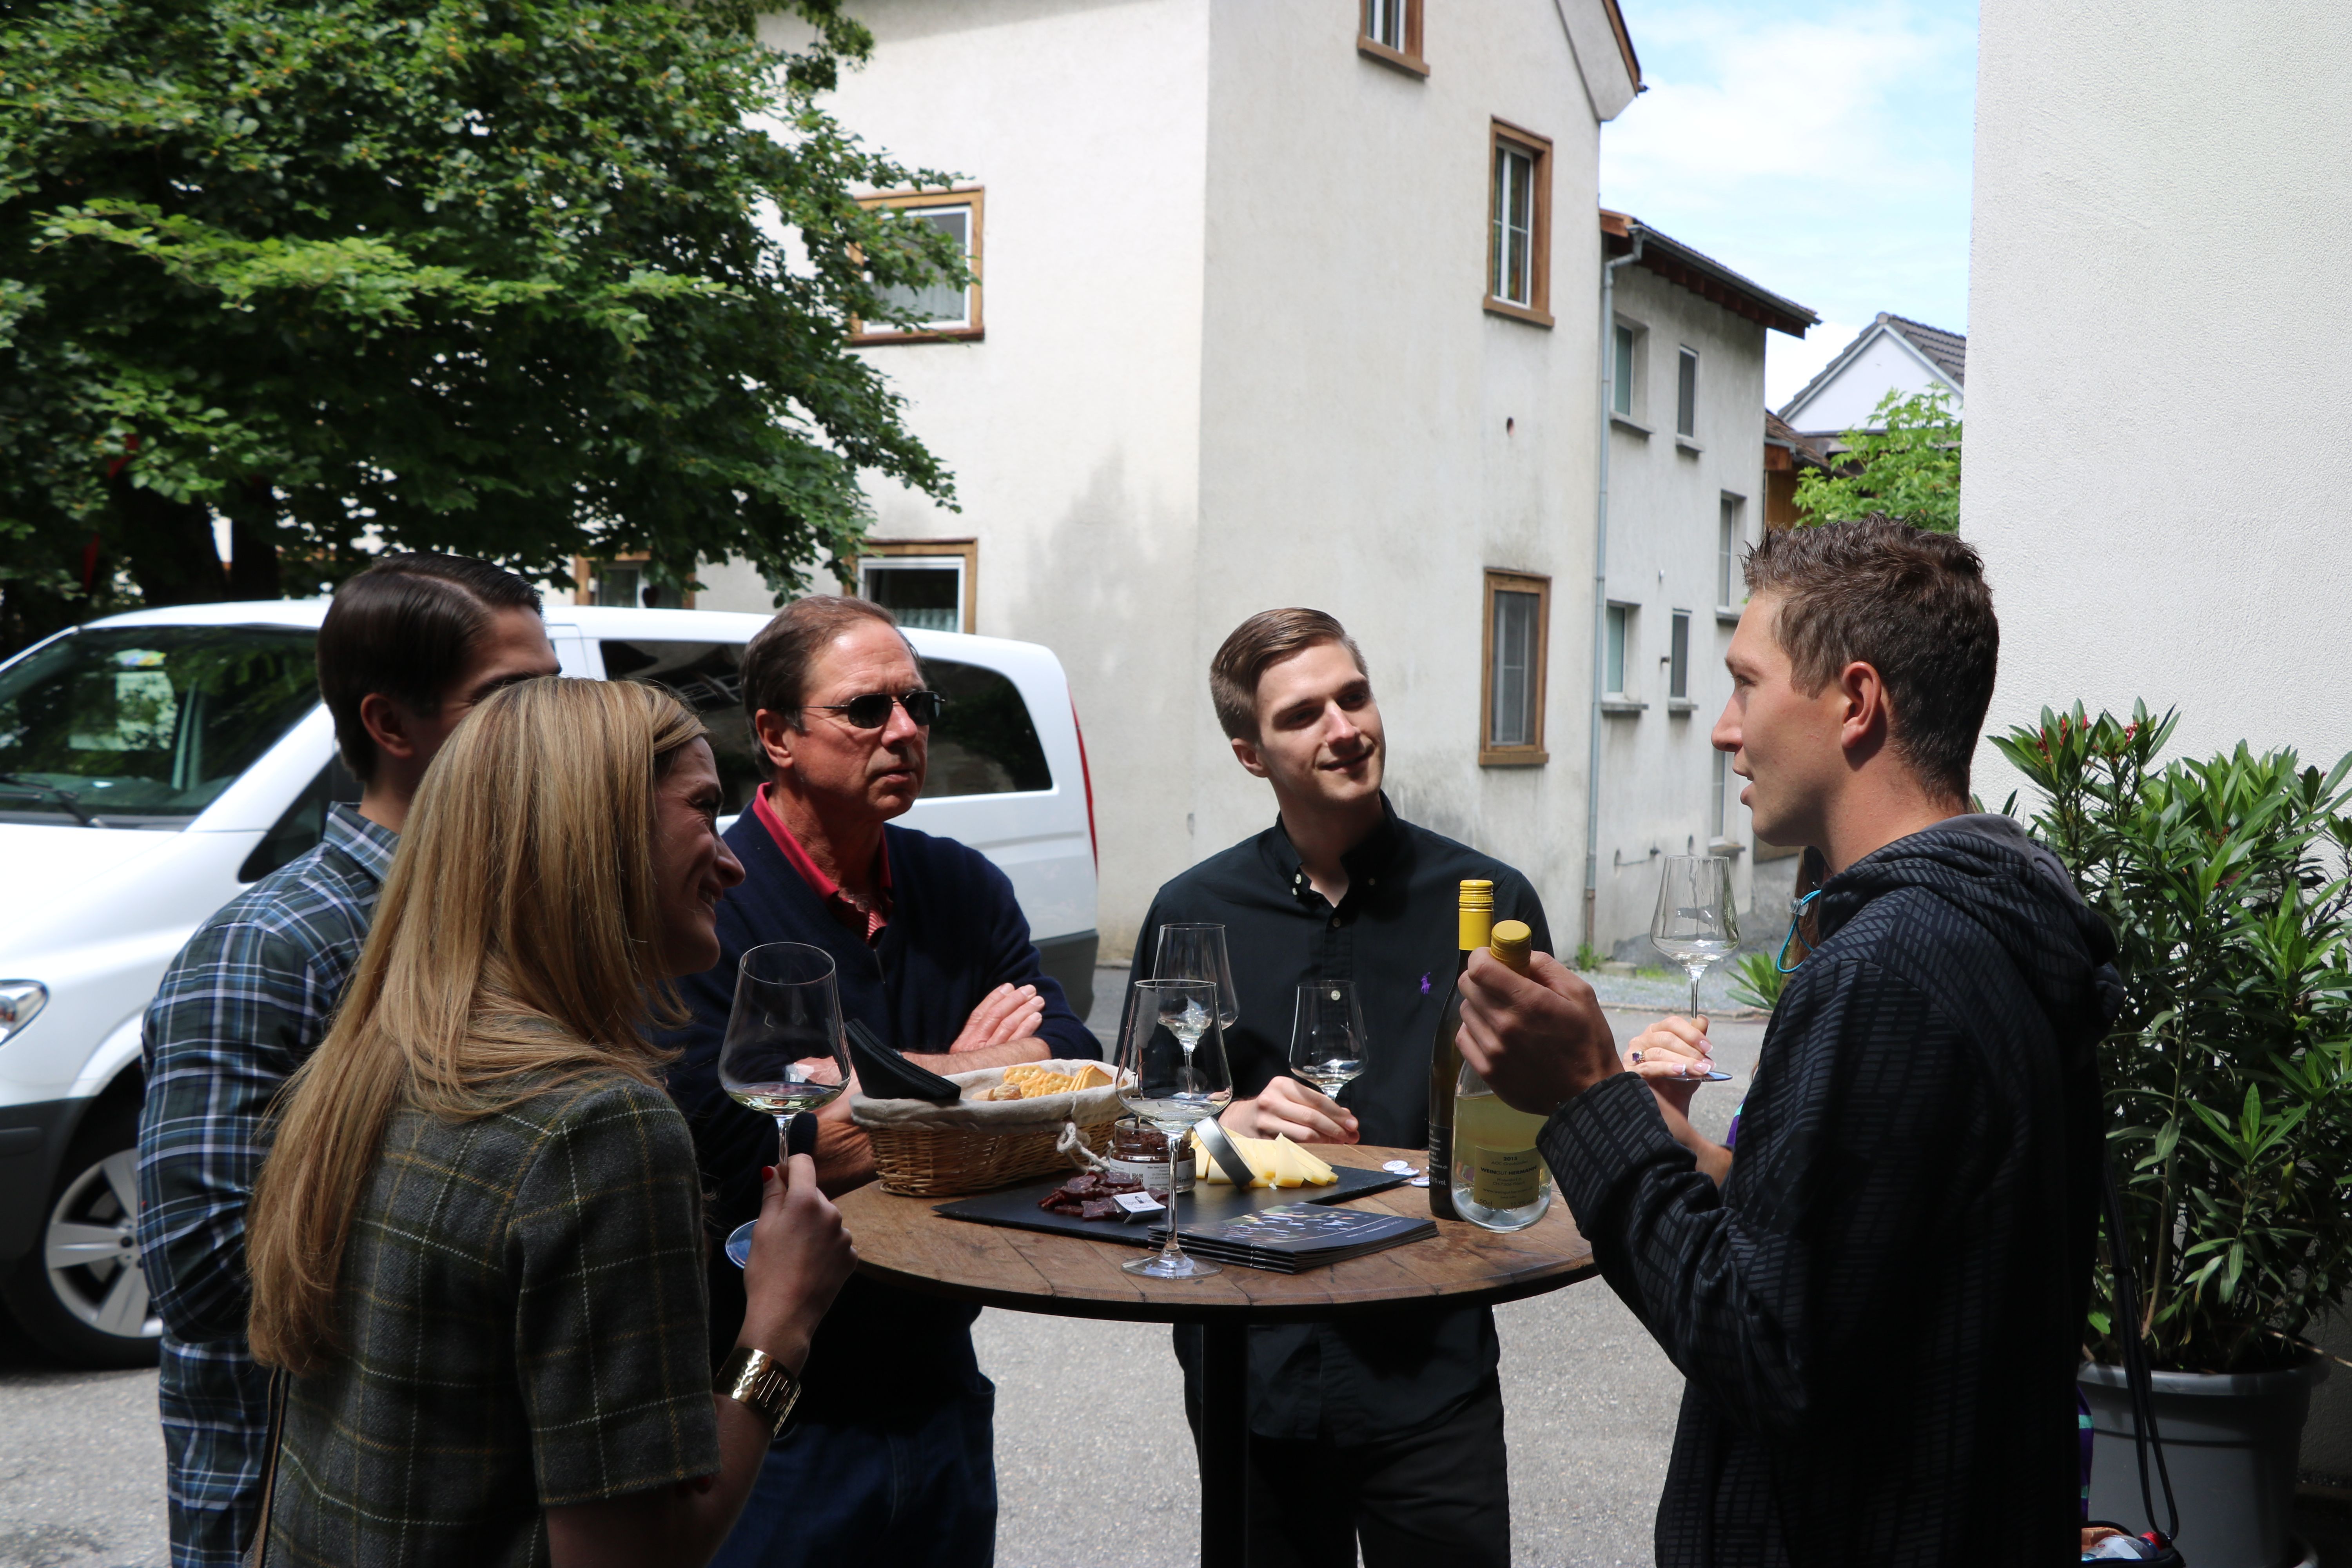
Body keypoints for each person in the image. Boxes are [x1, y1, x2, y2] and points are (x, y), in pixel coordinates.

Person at [1455, 520, 2118, 1564]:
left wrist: (1586, 1098)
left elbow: (1769, 1351)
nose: (1725, 730)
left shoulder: (1893, 967)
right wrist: (1677, 1145)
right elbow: (1864, 1263)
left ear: (1854, 703)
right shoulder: (1995, 917)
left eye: (1746, 684)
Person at [242, 677, 856, 1566]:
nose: (734, 863)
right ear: (591, 827)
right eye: (702, 808)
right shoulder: (598, 1129)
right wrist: (781, 1320)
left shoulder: (372, 1065)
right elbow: (638, 1554)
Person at [136, 553, 559, 1567]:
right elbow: (200, 1276)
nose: (546, 729)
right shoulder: (273, 946)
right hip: (293, 1516)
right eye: (507, 700)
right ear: (391, 725)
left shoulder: (526, 923)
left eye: (552, 693)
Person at [663, 595, 1099, 1568]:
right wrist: (987, 1070)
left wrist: (858, 1087)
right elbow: (741, 1148)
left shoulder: (962, 885)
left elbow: (1073, 1085)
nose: (905, 730)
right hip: (777, 1403)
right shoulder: (711, 902)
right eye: (867, 709)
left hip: (940, 1382)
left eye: (918, 703)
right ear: (774, 734)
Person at [1129, 608, 1550, 1568]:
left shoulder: (1490, 902)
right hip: (1250, 1357)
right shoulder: (1194, 911)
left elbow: (1536, 1117)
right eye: (1304, 713)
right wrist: (1224, 1119)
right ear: (1250, 752)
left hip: (1428, 1355)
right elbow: (1143, 1133)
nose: (1343, 727)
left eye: (1353, 696)